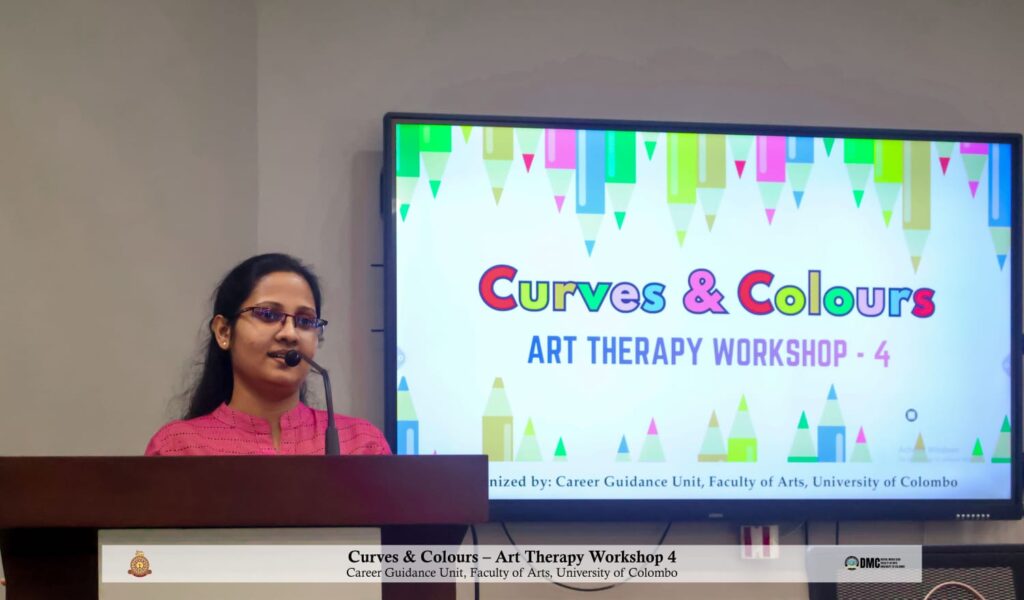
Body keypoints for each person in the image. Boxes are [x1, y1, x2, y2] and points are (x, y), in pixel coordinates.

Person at [146, 253, 391, 456]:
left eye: (305, 321)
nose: (290, 334)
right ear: (224, 331)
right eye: (268, 315)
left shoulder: (362, 445)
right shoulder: (178, 448)